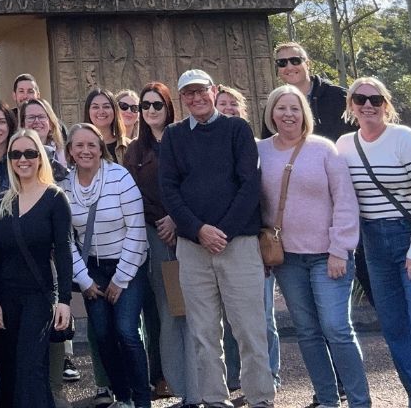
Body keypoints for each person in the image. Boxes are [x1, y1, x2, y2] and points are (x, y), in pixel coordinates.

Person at [337, 77, 411, 408]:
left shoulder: (403, 138)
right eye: (360, 99)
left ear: (386, 104)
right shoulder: (344, 145)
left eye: (375, 99)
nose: (368, 105)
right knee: (395, 330)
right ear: (351, 105)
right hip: (374, 246)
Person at [160, 69, 274, 408]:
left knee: (250, 330)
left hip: (237, 244)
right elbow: (169, 189)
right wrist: (199, 230)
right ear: (182, 98)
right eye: (188, 93)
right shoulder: (174, 135)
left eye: (201, 91)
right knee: (204, 333)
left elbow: (250, 184)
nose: (196, 98)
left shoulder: (237, 129)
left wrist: (222, 231)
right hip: (193, 248)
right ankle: (214, 400)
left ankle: (260, 398)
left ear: (214, 91)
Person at [260, 85, 369, 408]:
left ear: (304, 113)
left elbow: (345, 200)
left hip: (328, 256)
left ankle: (360, 401)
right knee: (307, 332)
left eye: (295, 108)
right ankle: (327, 399)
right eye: (281, 108)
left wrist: (340, 248)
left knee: (336, 328)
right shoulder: (259, 151)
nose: (288, 114)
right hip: (287, 259)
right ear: (271, 113)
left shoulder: (323, 149)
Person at [125, 82, 200, 408]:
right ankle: (183, 388)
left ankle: (202, 388)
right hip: (155, 238)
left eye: (158, 104)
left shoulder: (185, 139)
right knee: (170, 312)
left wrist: (176, 218)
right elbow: (131, 196)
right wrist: (161, 222)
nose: (151, 110)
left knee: (197, 311)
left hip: (190, 234)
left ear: (169, 107)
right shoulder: (134, 151)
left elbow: (197, 184)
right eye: (145, 105)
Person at [64, 122, 150, 408]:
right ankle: (122, 397)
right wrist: (84, 279)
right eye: (79, 145)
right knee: (102, 334)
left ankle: (142, 400)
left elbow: (136, 229)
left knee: (126, 331)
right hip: (92, 269)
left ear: (101, 149)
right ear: (70, 151)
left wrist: (121, 278)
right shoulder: (65, 187)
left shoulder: (119, 177)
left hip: (128, 263)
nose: (86, 150)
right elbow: (66, 240)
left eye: (92, 145)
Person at [0, 129, 72, 408]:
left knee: (30, 366)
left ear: (40, 158)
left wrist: (65, 300)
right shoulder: (1, 202)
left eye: (30, 153)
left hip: (39, 295)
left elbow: (64, 251)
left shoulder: (55, 198)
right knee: (10, 367)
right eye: (16, 154)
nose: (23, 159)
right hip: (7, 298)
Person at [215, 85, 281, 393]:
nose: (228, 108)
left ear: (243, 111)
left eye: (233, 104)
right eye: (222, 103)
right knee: (230, 318)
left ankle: (270, 373)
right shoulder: (206, 147)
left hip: (255, 239)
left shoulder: (259, 147)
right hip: (220, 241)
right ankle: (236, 376)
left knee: (262, 315)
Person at [261, 43, 351, 143]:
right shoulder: (273, 105)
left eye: (295, 61)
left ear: (308, 64)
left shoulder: (340, 97)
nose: (289, 67)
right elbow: (268, 144)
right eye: (282, 62)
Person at [84, 88, 130, 164]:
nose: (101, 111)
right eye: (95, 107)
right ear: (88, 111)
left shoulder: (130, 147)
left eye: (106, 107)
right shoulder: (78, 146)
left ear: (114, 110)